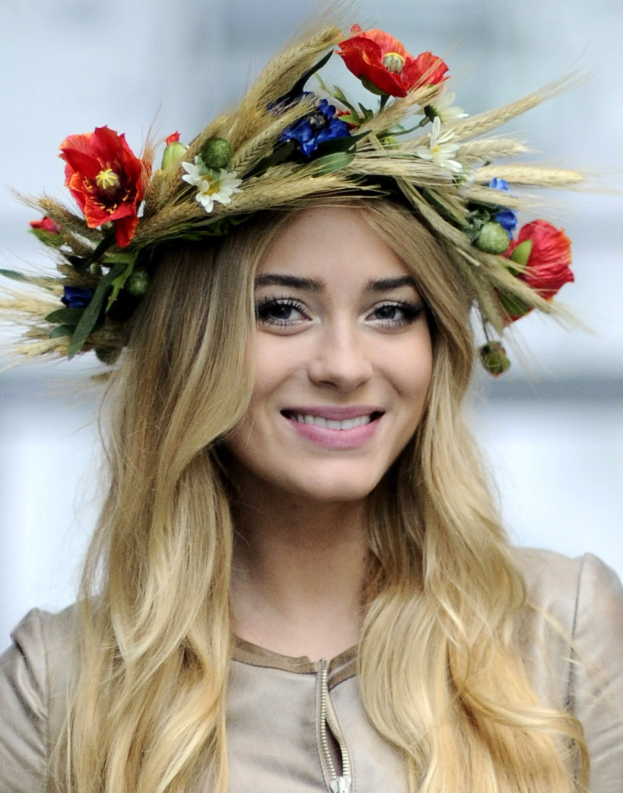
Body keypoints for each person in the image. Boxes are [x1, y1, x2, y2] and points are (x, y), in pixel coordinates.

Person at [0, 15, 622, 793]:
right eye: (281, 310)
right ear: (191, 346)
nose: (343, 366)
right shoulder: (56, 684)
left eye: (389, 311)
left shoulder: (566, 629)